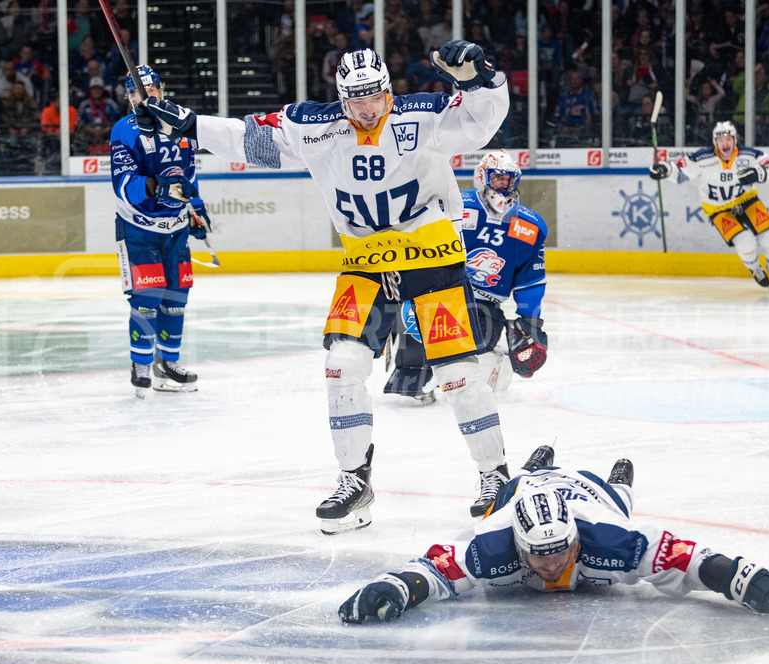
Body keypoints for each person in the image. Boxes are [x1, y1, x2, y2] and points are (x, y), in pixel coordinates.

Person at [136, 40, 512, 529]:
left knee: (458, 373)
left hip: (432, 256)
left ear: (387, 90)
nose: (366, 108)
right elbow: (248, 139)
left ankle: (495, 476)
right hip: (366, 262)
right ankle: (355, 480)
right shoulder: (313, 127)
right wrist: (186, 124)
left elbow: (481, 122)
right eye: (355, 100)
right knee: (341, 366)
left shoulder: (425, 115)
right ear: (340, 96)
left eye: (374, 96)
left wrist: (480, 76)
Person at [338, 447, 769, 624]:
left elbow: (683, 557)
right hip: (522, 495)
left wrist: (736, 576)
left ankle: (620, 479)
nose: (554, 564)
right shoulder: (494, 540)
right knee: (513, 487)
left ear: (577, 540)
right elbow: (437, 569)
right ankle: (533, 468)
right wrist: (398, 586)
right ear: (519, 547)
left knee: (620, 501)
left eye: (561, 551)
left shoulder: (610, 537)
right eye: (539, 557)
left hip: (589, 495)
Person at [385, 150, 548, 401]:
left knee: (475, 331)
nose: (505, 185)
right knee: (417, 317)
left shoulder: (531, 226)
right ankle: (410, 373)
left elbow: (531, 281)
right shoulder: (455, 206)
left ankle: (455, 376)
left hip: (485, 307)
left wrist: (530, 322)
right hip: (439, 291)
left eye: (510, 179)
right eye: (499, 178)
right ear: (483, 177)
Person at [110, 65, 211, 398]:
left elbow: (189, 175)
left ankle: (167, 363)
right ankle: (140, 364)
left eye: (152, 89)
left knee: (177, 299)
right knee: (146, 300)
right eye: (139, 91)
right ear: (129, 97)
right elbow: (123, 184)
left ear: (161, 91)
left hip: (176, 228)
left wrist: (196, 207)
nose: (147, 95)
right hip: (139, 228)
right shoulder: (123, 131)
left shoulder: (180, 126)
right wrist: (154, 187)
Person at [649, 121, 769, 289]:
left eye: (729, 139)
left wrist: (758, 172)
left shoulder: (748, 155)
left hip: (748, 201)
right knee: (744, 240)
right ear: (715, 143)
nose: (725, 143)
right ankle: (755, 269)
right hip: (719, 209)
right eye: (721, 140)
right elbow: (679, 167)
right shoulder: (703, 158)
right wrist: (664, 169)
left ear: (735, 140)